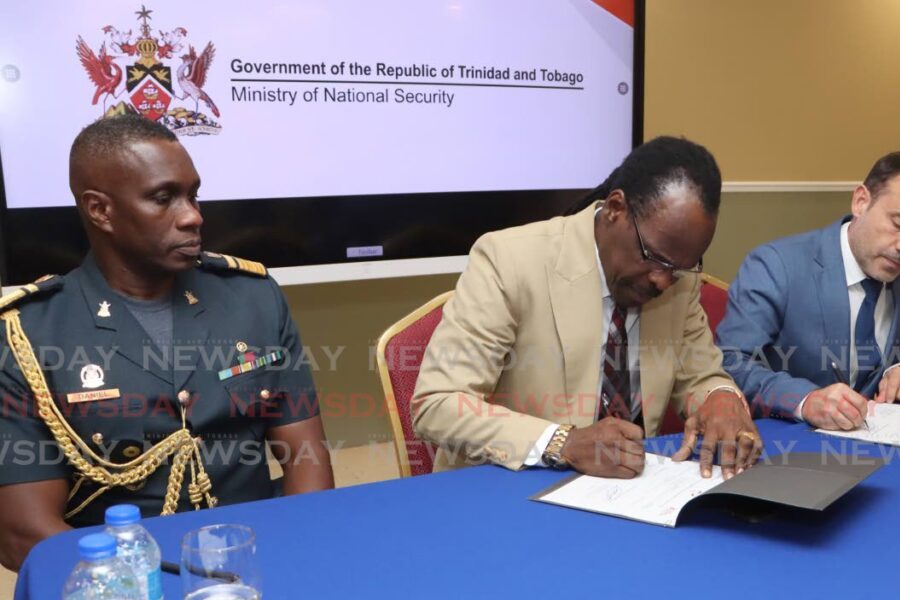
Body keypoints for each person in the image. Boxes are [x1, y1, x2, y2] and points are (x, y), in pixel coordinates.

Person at [0, 115, 334, 571]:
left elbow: (306, 459)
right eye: (164, 198)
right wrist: (171, 584)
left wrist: (290, 556)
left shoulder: (253, 298)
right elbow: (24, 532)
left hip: (256, 559)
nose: (193, 215)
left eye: (193, 195)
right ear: (100, 210)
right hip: (121, 587)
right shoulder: (30, 334)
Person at [413, 136, 761, 480]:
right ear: (615, 209)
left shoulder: (677, 278)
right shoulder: (510, 260)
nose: (663, 281)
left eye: (680, 267)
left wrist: (720, 396)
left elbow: (701, 375)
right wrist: (563, 442)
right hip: (511, 488)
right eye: (653, 258)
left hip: (628, 493)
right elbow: (439, 404)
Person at [716, 151, 900, 431]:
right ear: (861, 201)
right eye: (899, 224)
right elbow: (731, 362)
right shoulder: (775, 266)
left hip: (877, 443)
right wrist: (806, 400)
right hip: (788, 443)